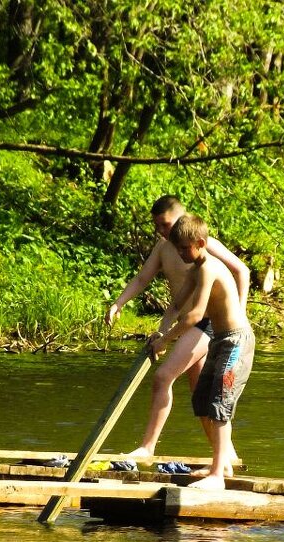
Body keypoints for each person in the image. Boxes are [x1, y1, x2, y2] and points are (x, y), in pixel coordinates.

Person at [105, 195, 250, 460]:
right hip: (186, 324)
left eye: (165, 224)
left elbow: (242, 271)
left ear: (182, 218)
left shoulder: (203, 245)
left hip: (205, 324)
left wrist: (240, 312)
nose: (161, 231)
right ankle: (227, 457)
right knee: (200, 395)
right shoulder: (163, 249)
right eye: (157, 226)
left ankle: (148, 447)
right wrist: (119, 304)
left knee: (163, 377)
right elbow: (143, 279)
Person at [150, 215, 255, 490]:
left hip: (236, 342)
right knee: (203, 399)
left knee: (220, 402)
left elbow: (195, 315)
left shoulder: (208, 268)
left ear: (200, 243)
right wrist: (161, 332)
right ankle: (220, 464)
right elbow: (176, 305)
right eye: (178, 249)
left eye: (185, 248)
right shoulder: (195, 270)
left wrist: (167, 341)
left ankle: (218, 475)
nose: (181, 254)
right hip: (220, 340)